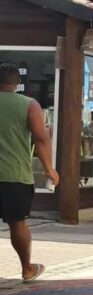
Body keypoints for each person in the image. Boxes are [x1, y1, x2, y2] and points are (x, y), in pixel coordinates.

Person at [0, 63, 59, 282]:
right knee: (17, 222)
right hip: (15, 175)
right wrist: (49, 169)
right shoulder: (29, 105)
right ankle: (27, 269)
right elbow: (41, 139)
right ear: (17, 83)